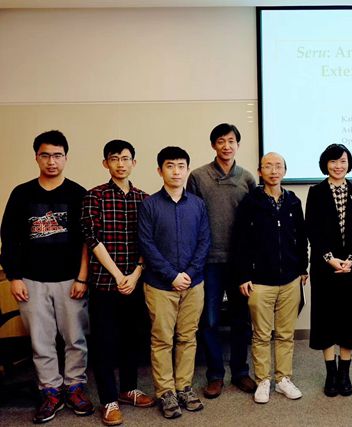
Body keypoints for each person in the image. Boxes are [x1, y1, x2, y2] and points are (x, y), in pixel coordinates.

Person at [0, 130, 93, 424]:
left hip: (70, 281)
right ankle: (50, 391)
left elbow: (88, 241)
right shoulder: (21, 193)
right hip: (31, 281)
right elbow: (8, 238)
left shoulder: (78, 194)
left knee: (75, 338)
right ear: (36, 157)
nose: (51, 161)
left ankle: (74, 387)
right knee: (41, 341)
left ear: (66, 157)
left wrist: (82, 278)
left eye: (57, 155)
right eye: (45, 155)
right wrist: (14, 277)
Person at [81, 139, 154, 426]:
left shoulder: (145, 199)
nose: (120, 164)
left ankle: (128, 389)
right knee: (104, 343)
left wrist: (135, 274)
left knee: (132, 339)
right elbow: (91, 238)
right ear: (106, 163)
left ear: (134, 163)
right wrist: (118, 275)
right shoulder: (94, 196)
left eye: (125, 158)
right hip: (104, 283)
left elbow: (148, 241)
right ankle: (109, 400)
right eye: (114, 159)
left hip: (135, 282)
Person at [138, 146, 211, 419]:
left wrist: (188, 273)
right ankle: (166, 392)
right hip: (160, 285)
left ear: (187, 170)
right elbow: (146, 244)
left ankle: (184, 387)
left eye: (181, 166)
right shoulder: (149, 205)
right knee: (162, 340)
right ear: (160, 171)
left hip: (194, 284)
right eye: (170, 166)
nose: (176, 171)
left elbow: (204, 241)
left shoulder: (198, 204)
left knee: (187, 337)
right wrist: (172, 275)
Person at [186, 123, 257, 398]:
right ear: (213, 145)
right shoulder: (198, 176)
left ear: (238, 145)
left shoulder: (247, 178)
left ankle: (240, 372)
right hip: (209, 261)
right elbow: (191, 216)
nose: (226, 146)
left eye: (231, 141)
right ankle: (215, 375)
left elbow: (254, 222)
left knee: (241, 320)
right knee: (210, 321)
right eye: (220, 141)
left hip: (239, 262)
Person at [234, 152, 308, 404]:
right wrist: (244, 274)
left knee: (285, 333)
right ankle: (263, 380)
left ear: (285, 171)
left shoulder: (293, 201)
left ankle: (283, 379)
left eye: (278, 166)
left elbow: (301, 237)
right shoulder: (250, 202)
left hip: (290, 279)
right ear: (260, 171)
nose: (274, 171)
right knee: (261, 334)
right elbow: (240, 241)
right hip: (260, 281)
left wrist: (303, 267)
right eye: (268, 166)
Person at [305, 144, 352, 397]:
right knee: (326, 318)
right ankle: (330, 373)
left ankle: (345, 373)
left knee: (349, 318)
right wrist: (330, 259)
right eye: (333, 161)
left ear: (348, 163)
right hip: (325, 268)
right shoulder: (316, 192)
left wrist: (351, 260)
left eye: (342, 161)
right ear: (325, 164)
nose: (338, 166)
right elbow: (312, 230)